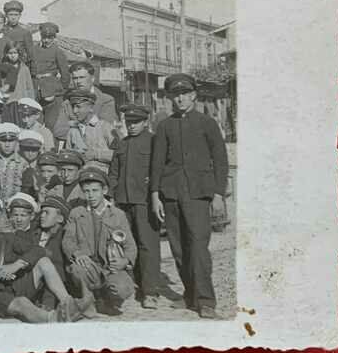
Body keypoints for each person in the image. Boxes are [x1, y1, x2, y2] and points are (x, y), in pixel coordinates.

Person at [150, 73, 228, 318]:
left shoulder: (207, 123)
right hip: (171, 193)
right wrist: (155, 194)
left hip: (197, 194)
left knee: (198, 247)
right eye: (176, 94)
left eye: (185, 93)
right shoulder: (165, 126)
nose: (180, 98)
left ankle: (206, 300)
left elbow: (221, 160)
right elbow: (157, 163)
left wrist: (218, 193)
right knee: (179, 248)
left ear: (194, 95)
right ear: (171, 98)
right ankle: (189, 295)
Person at [0, 196, 92, 323]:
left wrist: (17, 264)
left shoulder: (8, 237)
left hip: (15, 285)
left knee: (43, 261)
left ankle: (67, 303)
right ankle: (53, 319)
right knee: (22, 303)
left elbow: (38, 250)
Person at [64, 166, 137, 314]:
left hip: (111, 268)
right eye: (86, 191)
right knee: (77, 270)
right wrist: (78, 254)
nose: (90, 195)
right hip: (89, 266)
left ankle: (107, 298)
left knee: (123, 288)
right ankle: (88, 299)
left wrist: (124, 261)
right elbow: (67, 241)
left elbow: (130, 246)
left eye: (95, 191)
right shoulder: (76, 213)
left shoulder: (118, 215)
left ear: (104, 191)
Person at [110, 104, 160, 309]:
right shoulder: (121, 144)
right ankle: (134, 284)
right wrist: (112, 194)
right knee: (125, 245)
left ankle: (151, 292)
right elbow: (114, 172)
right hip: (123, 201)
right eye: (128, 122)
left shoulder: (154, 142)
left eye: (136, 122)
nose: (131, 126)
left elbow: (159, 170)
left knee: (147, 245)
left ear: (146, 122)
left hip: (144, 200)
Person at [54, 59, 118, 141]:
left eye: (82, 77)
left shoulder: (106, 100)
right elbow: (59, 132)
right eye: (75, 78)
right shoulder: (67, 102)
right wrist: (88, 125)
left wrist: (73, 124)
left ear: (92, 79)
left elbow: (104, 131)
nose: (78, 81)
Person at [64, 88, 116, 171]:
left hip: (101, 178)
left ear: (91, 108)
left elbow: (119, 154)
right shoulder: (72, 131)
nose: (74, 111)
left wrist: (95, 154)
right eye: (73, 107)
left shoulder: (105, 127)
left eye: (78, 107)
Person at [31, 22, 70, 132]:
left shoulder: (58, 52)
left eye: (50, 37)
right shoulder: (33, 50)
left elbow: (65, 74)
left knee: (50, 125)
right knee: (34, 123)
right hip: (35, 88)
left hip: (51, 90)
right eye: (44, 37)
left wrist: (59, 90)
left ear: (54, 37)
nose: (46, 40)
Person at [0, 1, 33, 69]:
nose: (13, 17)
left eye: (16, 15)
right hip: (3, 66)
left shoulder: (25, 33)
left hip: (20, 67)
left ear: (20, 15)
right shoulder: (1, 31)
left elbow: (30, 55)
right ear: (6, 15)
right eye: (11, 14)